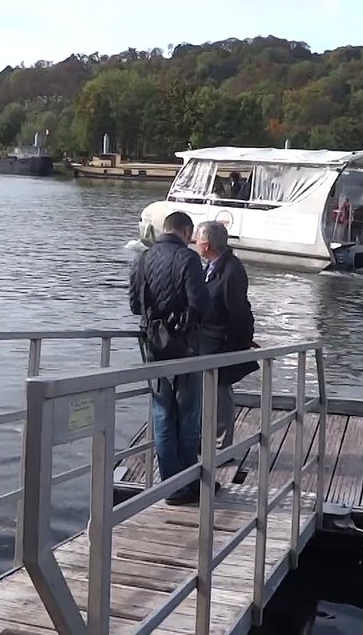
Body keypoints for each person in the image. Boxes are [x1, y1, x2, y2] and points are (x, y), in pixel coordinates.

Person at [129, 211, 209, 505]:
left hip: (152, 344)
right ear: (186, 232)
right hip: (185, 345)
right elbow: (200, 303)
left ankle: (170, 486)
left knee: (162, 413)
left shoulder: (142, 259)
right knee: (187, 415)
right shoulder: (188, 259)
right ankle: (188, 484)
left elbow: (135, 305)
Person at [192, 220, 257, 455]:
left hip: (222, 342)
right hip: (207, 341)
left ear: (206, 244)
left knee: (220, 393)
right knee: (208, 391)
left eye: (197, 239)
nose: (195, 242)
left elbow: (239, 309)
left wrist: (244, 339)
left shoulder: (231, 270)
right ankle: (206, 441)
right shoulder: (212, 266)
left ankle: (221, 447)